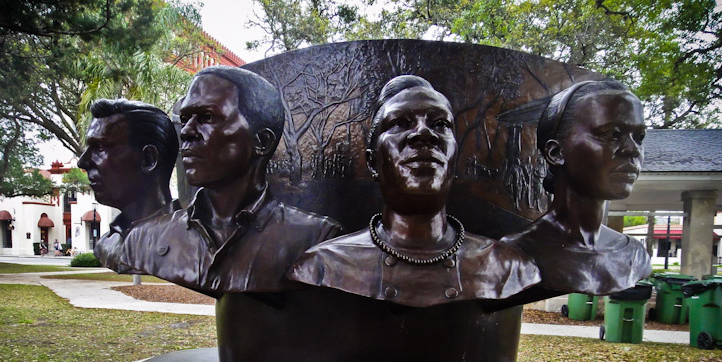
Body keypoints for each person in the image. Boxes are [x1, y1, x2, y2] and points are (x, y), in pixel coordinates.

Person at [289, 75, 539, 307]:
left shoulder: (510, 268)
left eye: (440, 123)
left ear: (456, 158)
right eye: (400, 123)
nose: (423, 134)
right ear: (372, 162)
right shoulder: (322, 267)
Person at [120, 66, 342, 297]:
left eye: (206, 117)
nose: (186, 132)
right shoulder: (144, 238)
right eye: (185, 119)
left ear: (262, 141)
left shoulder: (318, 239)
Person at [501, 80, 651, 295]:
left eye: (639, 138)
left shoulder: (634, 255)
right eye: (613, 134)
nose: (632, 150)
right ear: (556, 153)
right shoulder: (515, 254)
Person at [77, 98, 180, 273]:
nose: (83, 162)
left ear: (148, 159)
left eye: (100, 147)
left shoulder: (189, 243)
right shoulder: (106, 244)